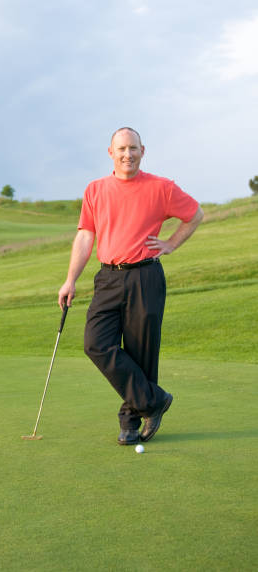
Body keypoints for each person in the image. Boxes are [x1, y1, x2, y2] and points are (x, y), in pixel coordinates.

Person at [58, 127, 203, 445]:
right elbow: (85, 236)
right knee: (95, 343)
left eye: (133, 148)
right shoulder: (95, 189)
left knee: (141, 351)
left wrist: (171, 244)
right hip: (108, 277)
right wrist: (70, 280)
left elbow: (195, 215)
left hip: (145, 277)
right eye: (121, 148)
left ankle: (130, 422)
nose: (128, 154)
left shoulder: (161, 187)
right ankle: (155, 401)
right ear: (110, 152)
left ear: (142, 150)